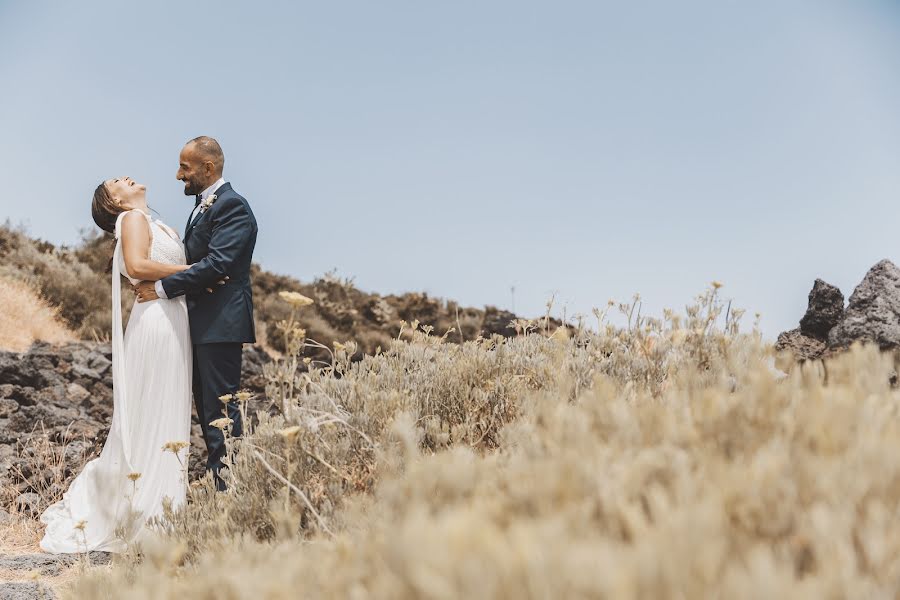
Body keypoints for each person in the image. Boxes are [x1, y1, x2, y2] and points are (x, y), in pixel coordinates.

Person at [40, 177, 192, 553]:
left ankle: (161, 507)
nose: (128, 178)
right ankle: (148, 513)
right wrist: (200, 272)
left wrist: (188, 276)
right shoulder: (132, 220)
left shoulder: (157, 224)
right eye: (117, 182)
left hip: (169, 314)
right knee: (156, 410)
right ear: (116, 202)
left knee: (164, 411)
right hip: (157, 319)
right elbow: (139, 265)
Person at [134, 136, 258, 491]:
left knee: (222, 410)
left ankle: (231, 491)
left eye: (185, 167)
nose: (178, 175)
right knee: (208, 412)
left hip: (221, 323)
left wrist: (158, 289)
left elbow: (219, 263)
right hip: (200, 323)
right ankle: (221, 485)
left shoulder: (233, 206)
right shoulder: (204, 205)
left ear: (208, 167)